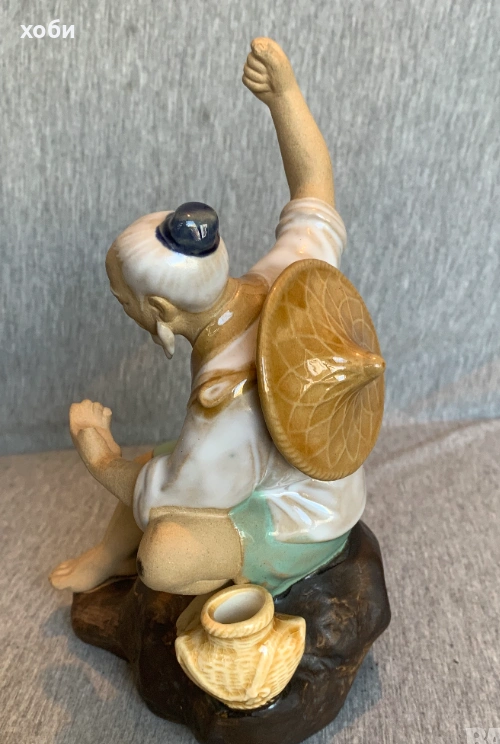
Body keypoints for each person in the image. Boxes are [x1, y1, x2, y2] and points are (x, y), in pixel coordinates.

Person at [50, 37, 366, 597]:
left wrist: (98, 452)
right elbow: (314, 185)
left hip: (302, 510)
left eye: (126, 303)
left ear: (162, 311)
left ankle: (256, 595)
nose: (126, 312)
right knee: (165, 458)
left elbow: (166, 496)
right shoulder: (285, 275)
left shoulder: (224, 399)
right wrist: (285, 97)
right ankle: (107, 556)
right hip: (292, 463)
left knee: (165, 553)